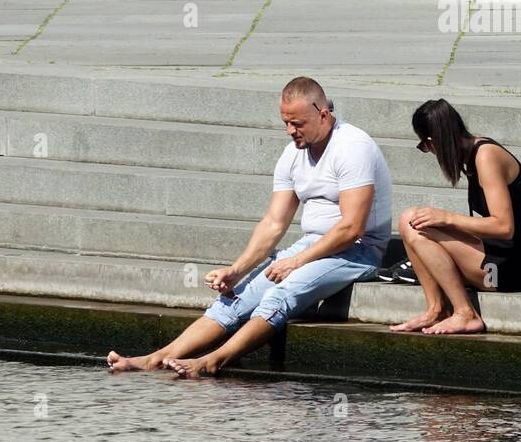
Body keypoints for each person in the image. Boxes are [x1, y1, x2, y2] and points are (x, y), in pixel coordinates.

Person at [106, 77, 390, 377]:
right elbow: (274, 222)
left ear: (323, 114)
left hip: (359, 251)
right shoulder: (293, 152)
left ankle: (213, 360)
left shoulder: (352, 147)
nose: (290, 131)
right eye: (285, 122)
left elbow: (352, 228)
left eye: (297, 123)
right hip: (313, 244)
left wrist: (296, 262)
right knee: (235, 296)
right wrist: (236, 270)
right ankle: (155, 358)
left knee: (280, 295)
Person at [386, 99, 521, 335]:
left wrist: (446, 218)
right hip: (495, 254)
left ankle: (465, 313)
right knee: (410, 219)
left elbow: (504, 227)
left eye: (425, 147)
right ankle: (435, 309)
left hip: (512, 269)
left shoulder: (485, 156)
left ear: (431, 141)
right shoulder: (472, 155)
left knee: (416, 226)